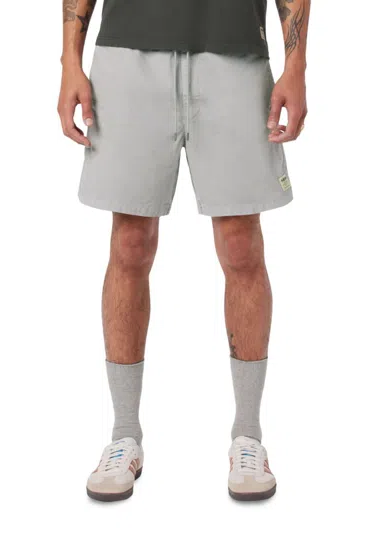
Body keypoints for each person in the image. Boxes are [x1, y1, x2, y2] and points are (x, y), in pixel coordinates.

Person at [58, 0, 310, 502]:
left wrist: (296, 65)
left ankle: (248, 436)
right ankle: (124, 436)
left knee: (240, 244)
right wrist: (70, 62)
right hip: (128, 57)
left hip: (234, 56)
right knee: (130, 242)